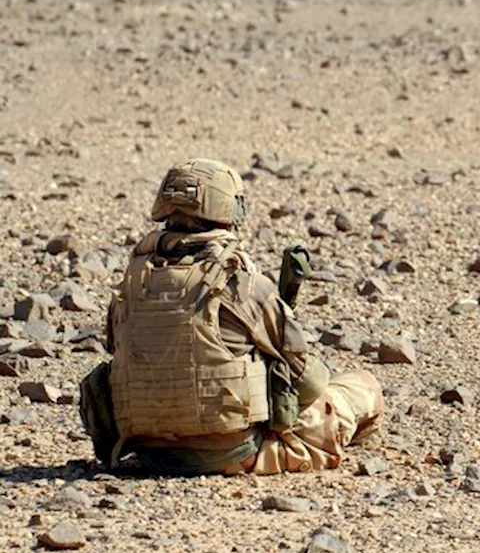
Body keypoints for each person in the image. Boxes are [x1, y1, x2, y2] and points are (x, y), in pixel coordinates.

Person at [78, 158, 382, 475]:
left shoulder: (132, 280)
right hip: (233, 454)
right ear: (230, 211)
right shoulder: (240, 282)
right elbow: (309, 382)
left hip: (147, 452)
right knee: (362, 388)